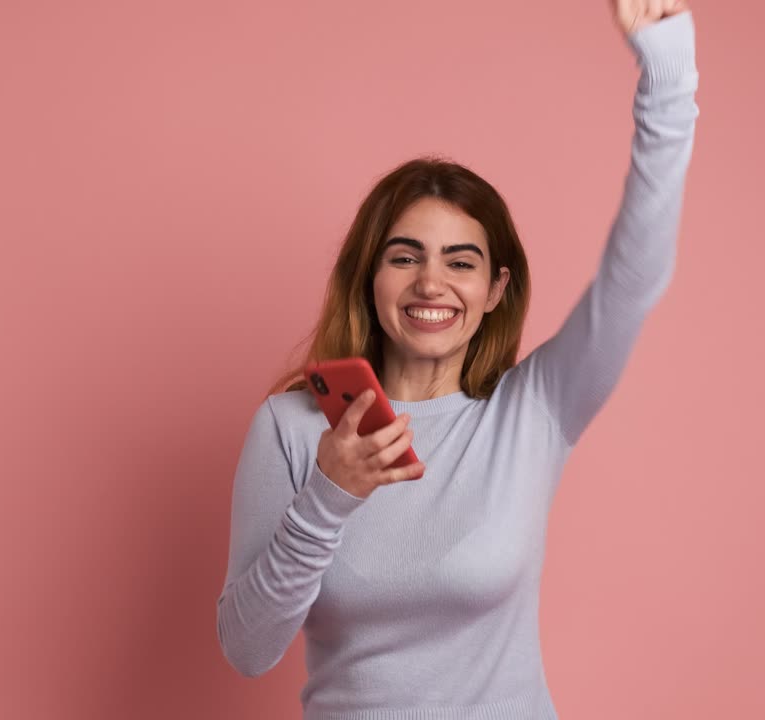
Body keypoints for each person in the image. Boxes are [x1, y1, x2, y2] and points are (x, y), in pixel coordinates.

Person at [217, 2, 699, 717]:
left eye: (461, 262)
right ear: (369, 277)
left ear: (496, 289)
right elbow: (247, 649)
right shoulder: (291, 429)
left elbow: (635, 276)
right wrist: (328, 495)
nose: (431, 284)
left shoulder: (535, 408)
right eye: (404, 256)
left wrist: (669, 72)